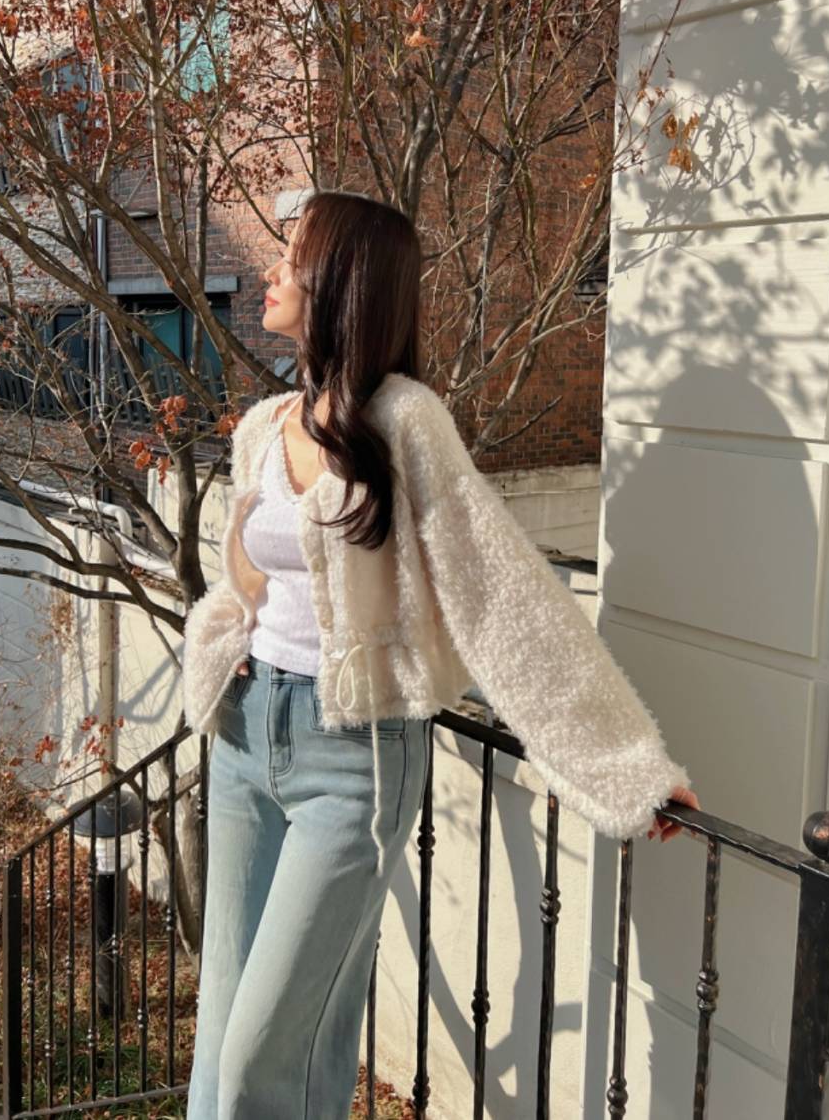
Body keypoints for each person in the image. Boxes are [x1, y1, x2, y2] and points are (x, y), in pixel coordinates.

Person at [183, 190, 700, 1120]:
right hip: (242, 733)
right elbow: (247, 584)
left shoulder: (404, 422)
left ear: (342, 280)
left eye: (293, 253)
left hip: (354, 762)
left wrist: (627, 767)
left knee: (265, 1050)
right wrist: (221, 650)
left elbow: (501, 597)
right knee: (222, 1034)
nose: (271, 269)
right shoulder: (263, 426)